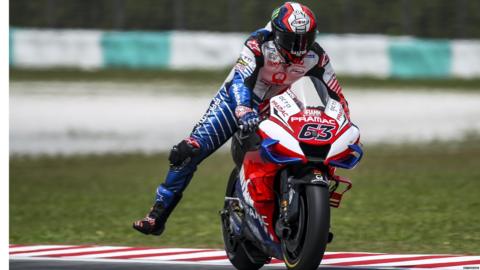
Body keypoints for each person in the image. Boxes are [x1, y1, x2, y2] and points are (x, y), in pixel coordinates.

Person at [133, 1, 350, 236]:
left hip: (282, 106)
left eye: (305, 39)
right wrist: (243, 110)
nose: (299, 48)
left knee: (314, 150)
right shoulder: (258, 43)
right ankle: (157, 215)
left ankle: (311, 218)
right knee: (187, 152)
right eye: (292, 40)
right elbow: (240, 80)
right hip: (237, 102)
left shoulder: (317, 56)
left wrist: (344, 120)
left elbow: (335, 94)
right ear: (277, 33)